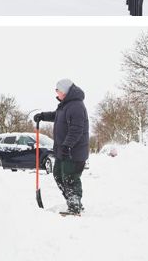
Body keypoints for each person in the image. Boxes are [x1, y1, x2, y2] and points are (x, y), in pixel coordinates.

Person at [33, 78, 89, 215]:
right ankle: (72, 202)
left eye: (58, 90)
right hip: (63, 151)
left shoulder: (76, 106)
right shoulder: (66, 105)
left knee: (70, 178)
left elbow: (76, 129)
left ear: (64, 91)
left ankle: (75, 206)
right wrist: (42, 116)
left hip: (73, 152)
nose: (56, 92)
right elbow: (57, 116)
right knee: (58, 174)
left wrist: (67, 146)